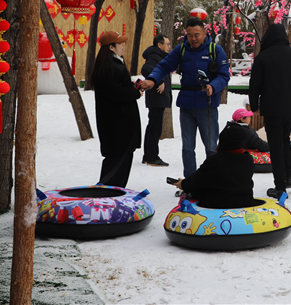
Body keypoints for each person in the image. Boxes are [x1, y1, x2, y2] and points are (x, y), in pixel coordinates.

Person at [141, 17, 230, 183]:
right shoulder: (181, 50)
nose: (193, 38)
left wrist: (213, 86)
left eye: (196, 34)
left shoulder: (215, 50)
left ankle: (214, 181)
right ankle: (190, 182)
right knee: (188, 148)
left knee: (211, 148)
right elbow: (164, 66)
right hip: (187, 105)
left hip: (207, 106)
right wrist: (152, 79)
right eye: (190, 35)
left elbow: (224, 75)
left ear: (204, 33)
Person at [248, 23, 291, 199]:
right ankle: (288, 176)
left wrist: (255, 105)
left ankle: (280, 186)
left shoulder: (263, 57)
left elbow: (255, 84)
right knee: (285, 139)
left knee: (275, 144)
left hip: (272, 107)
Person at [89, 31, 142, 188]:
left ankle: (114, 193)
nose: (123, 46)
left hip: (121, 124)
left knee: (121, 161)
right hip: (117, 125)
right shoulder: (108, 67)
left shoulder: (115, 64)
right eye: (120, 44)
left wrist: (134, 86)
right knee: (116, 163)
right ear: (111, 47)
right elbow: (116, 93)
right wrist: (136, 92)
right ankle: (109, 194)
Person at [171, 124, 257, 209]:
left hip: (217, 204)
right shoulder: (248, 160)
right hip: (244, 201)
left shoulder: (215, 160)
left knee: (195, 191)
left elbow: (197, 179)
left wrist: (183, 184)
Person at [139, 34, 172, 167]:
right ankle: (152, 156)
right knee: (155, 127)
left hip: (158, 97)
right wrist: (158, 80)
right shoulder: (155, 56)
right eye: (167, 44)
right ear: (160, 45)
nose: (169, 47)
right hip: (156, 97)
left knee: (153, 126)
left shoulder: (159, 56)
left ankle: (148, 155)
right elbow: (146, 69)